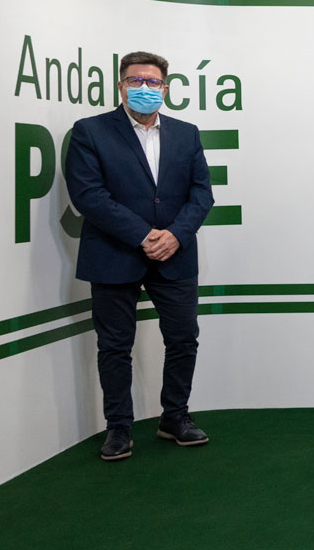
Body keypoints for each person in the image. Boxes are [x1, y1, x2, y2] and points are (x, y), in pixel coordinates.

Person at [63, 51, 214, 461]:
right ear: (120, 85)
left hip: (175, 255)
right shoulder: (90, 131)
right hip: (113, 253)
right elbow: (88, 195)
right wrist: (144, 235)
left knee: (183, 338)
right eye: (135, 81)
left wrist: (176, 236)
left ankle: (175, 417)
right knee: (115, 345)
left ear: (165, 88)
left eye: (152, 82)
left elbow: (202, 194)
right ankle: (119, 428)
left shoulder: (187, 133)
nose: (144, 88)